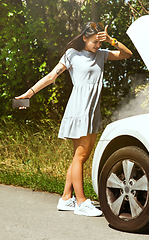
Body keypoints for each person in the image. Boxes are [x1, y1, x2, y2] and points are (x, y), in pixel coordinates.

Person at [15, 21, 132, 216]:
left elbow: (127, 54)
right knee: (80, 155)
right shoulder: (72, 55)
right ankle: (81, 202)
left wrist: (111, 40)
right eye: (94, 42)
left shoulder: (102, 54)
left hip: (93, 110)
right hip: (79, 109)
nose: (97, 45)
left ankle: (66, 198)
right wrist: (29, 93)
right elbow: (52, 76)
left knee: (82, 156)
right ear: (84, 38)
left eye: (99, 42)